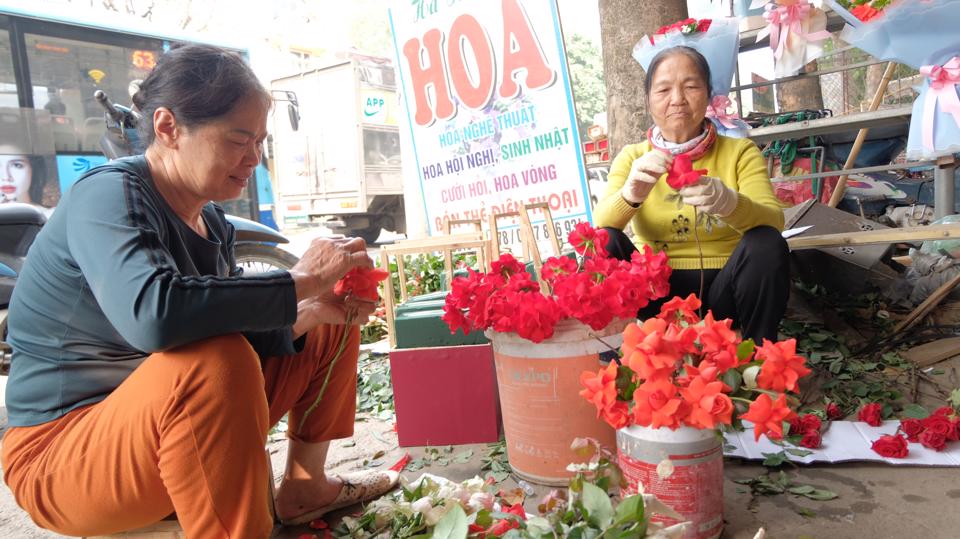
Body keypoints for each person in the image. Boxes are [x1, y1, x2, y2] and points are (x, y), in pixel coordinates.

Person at [1, 44, 394, 538]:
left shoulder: (211, 222)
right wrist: (301, 279)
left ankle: (304, 487)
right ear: (168, 128)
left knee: (324, 322)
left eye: (260, 141)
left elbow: (226, 336)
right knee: (222, 356)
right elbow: (156, 318)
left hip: (157, 429)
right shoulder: (106, 194)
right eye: (238, 140)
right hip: (62, 458)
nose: (254, 158)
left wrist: (311, 308)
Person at [593, 46, 789, 344]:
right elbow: (600, 225)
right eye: (663, 90)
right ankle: (619, 347)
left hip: (726, 291)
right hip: (655, 291)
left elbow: (774, 220)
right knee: (605, 240)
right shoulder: (632, 157)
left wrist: (731, 203)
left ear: (709, 95)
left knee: (766, 242)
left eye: (691, 86)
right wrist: (630, 194)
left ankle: (761, 357)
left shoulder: (739, 152)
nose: (677, 100)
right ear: (649, 101)